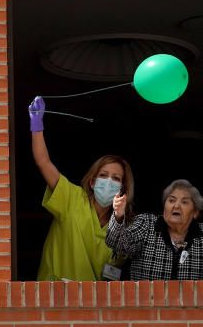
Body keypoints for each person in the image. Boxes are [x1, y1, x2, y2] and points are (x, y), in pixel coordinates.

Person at [29, 96, 135, 282]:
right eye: (103, 175)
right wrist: (37, 125)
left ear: (123, 188)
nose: (109, 181)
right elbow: (44, 163)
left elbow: (117, 274)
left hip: (92, 305)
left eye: (116, 178)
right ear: (93, 181)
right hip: (53, 298)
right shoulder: (72, 198)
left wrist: (119, 217)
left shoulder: (124, 226)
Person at [107, 179, 203, 281]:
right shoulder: (146, 224)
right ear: (164, 207)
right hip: (147, 306)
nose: (176, 206)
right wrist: (118, 215)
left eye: (184, 202)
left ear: (195, 212)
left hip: (190, 308)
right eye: (171, 200)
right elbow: (117, 243)